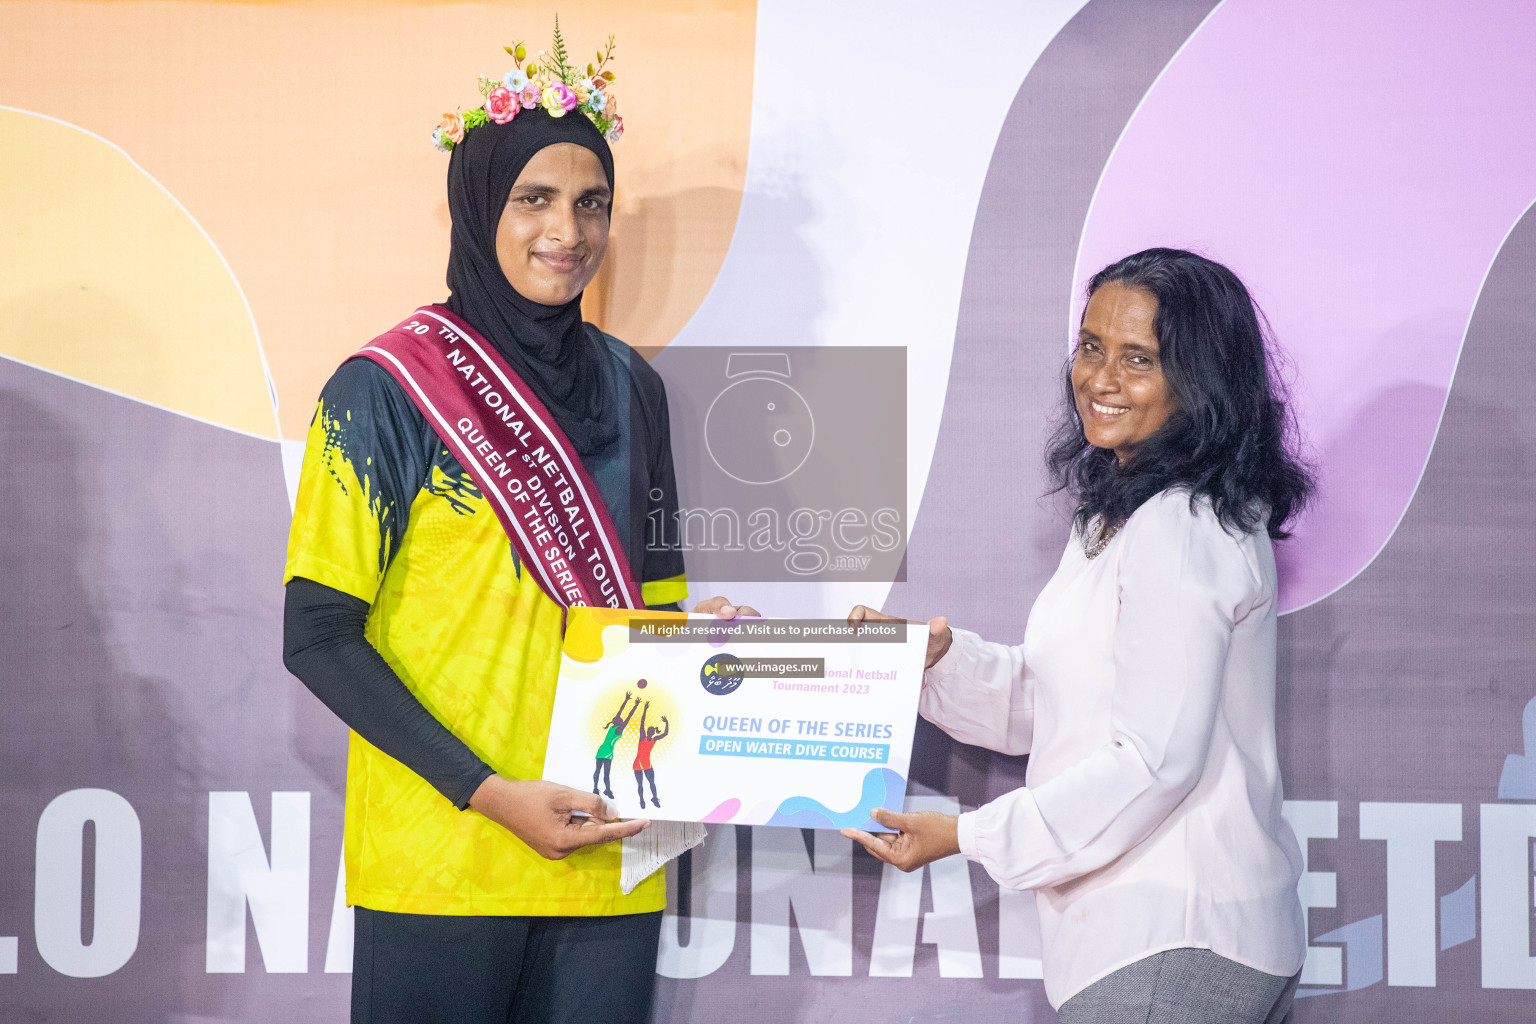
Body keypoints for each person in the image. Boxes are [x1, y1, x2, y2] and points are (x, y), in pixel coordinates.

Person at [282, 37, 756, 1024]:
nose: (566, 230)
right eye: (533, 199)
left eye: (591, 203)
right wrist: (489, 790)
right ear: (479, 206)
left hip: (603, 856)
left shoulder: (634, 387)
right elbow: (318, 635)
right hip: (442, 860)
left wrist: (706, 644)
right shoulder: (383, 390)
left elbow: (653, 605)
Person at [845, 248, 1314, 1022]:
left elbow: (1152, 763)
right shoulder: (1129, 509)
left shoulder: (1178, 524)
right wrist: (929, 663)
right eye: (1092, 347)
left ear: (1201, 382)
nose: (1101, 379)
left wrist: (969, 834)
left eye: (1139, 360)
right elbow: (1068, 706)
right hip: (1162, 939)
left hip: (1171, 938)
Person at [594, 691, 640, 799]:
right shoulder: (617, 727)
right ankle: (599, 789)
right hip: (605, 751)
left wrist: (632, 703)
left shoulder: (617, 728)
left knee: (602, 772)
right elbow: (624, 713)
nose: (617, 718)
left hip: (605, 751)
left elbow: (625, 713)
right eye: (617, 718)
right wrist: (630, 702)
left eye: (618, 718)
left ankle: (605, 789)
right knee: (601, 772)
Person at [633, 702, 670, 808]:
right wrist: (644, 709)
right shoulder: (642, 737)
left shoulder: (653, 739)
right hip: (638, 765)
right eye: (648, 730)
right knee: (640, 784)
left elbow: (665, 733)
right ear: (647, 731)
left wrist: (666, 722)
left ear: (653, 732)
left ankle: (654, 798)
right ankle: (641, 800)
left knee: (652, 783)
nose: (649, 731)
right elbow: (642, 722)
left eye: (651, 730)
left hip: (647, 764)